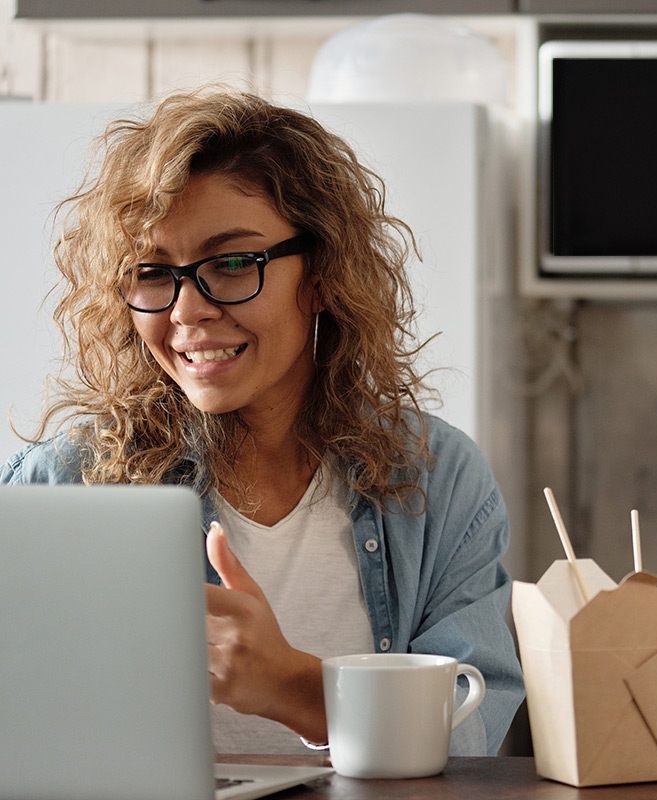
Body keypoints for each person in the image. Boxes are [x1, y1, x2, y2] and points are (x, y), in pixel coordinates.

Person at [0, 87, 524, 756]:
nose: (187, 310)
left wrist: (295, 688)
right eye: (153, 272)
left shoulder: (438, 481)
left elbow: (471, 741)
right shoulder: (63, 484)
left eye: (231, 263)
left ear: (323, 274)